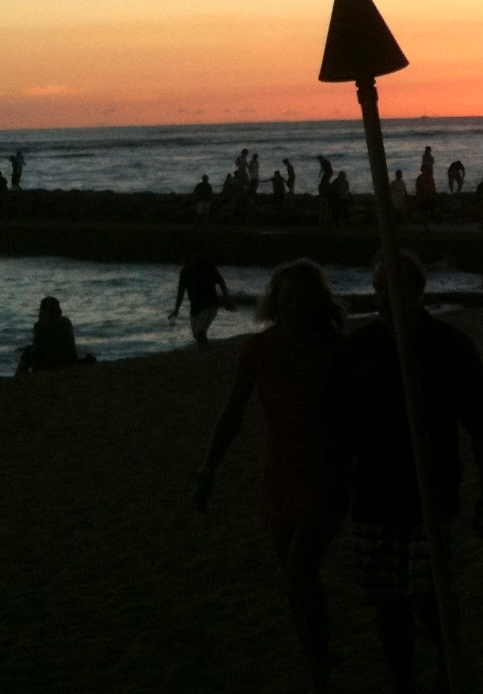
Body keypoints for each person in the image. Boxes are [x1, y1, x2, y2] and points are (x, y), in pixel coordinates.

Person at [334, 250, 483, 694]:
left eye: (394, 287)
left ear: (418, 290)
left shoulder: (449, 345)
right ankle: (403, 679)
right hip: (373, 493)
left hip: (431, 490)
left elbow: (480, 424)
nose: (385, 297)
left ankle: (448, 663)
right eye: (378, 288)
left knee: (431, 594)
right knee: (388, 601)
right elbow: (339, 430)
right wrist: (336, 487)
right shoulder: (357, 350)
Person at [194, 260, 349, 692]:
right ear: (276, 302)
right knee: (297, 580)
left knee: (300, 569)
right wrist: (208, 467)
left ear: (318, 303)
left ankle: (320, 675)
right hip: (278, 470)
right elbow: (233, 412)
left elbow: (359, 412)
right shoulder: (257, 349)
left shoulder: (335, 348)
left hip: (325, 472)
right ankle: (318, 656)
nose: (296, 307)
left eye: (304, 299)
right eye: (288, 299)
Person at [16, 296, 94, 375]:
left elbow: (37, 351)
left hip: (51, 363)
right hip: (68, 360)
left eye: (41, 311)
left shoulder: (40, 326)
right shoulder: (66, 322)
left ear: (44, 312)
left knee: (27, 351)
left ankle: (19, 376)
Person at [172, 257, 232, 346]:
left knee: (199, 331)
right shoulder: (184, 272)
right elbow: (181, 292)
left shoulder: (207, 267)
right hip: (195, 307)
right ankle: (205, 349)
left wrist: (226, 300)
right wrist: (176, 309)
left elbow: (221, 283)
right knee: (197, 334)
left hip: (210, 304)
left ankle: (205, 350)